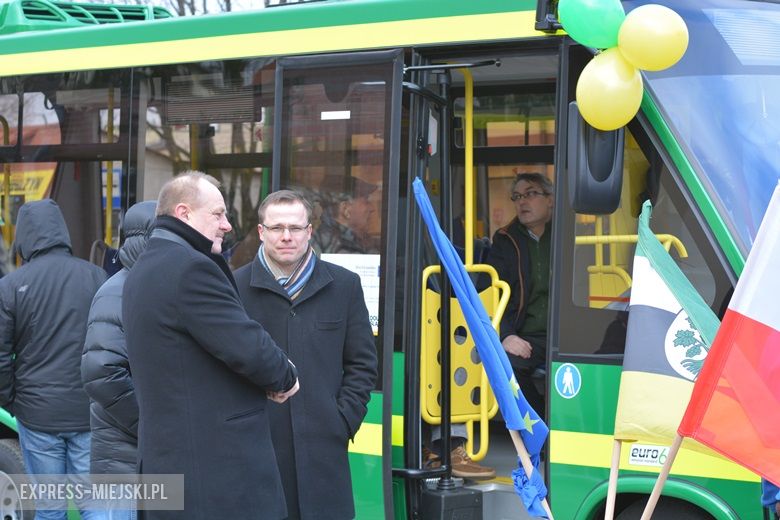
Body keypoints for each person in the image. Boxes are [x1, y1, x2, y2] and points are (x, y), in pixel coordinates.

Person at [123, 172, 299, 519]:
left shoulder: (147, 266)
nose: (228, 225)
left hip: (175, 464)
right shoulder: (190, 269)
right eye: (218, 214)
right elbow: (247, 345)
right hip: (214, 475)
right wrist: (284, 377)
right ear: (184, 213)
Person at [234, 190, 377, 520]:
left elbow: (363, 363)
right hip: (258, 453)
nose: (286, 236)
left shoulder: (344, 286)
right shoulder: (234, 288)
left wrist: (341, 420)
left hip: (324, 453)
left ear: (309, 231)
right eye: (277, 227)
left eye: (296, 228)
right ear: (261, 232)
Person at [0, 199, 107, 519]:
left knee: (49, 507)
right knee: (95, 506)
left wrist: (12, 402)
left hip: (37, 416)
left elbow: (2, 357)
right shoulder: (96, 276)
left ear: (23, 237)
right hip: (87, 410)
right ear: (62, 231)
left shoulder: (10, 286)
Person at [81, 200, 157, 520]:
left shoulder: (151, 286)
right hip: (121, 461)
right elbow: (102, 372)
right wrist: (153, 426)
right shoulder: (119, 290)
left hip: (142, 457)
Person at [486, 172, 553, 421]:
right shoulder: (505, 240)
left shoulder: (569, 233)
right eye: (517, 197)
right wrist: (505, 334)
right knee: (508, 364)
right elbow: (490, 292)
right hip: (527, 335)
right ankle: (540, 427)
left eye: (531, 194)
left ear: (550, 200)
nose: (522, 202)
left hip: (567, 334)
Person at [312, 176, 378, 254]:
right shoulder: (328, 241)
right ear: (345, 209)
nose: (372, 208)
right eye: (366, 201)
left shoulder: (357, 238)